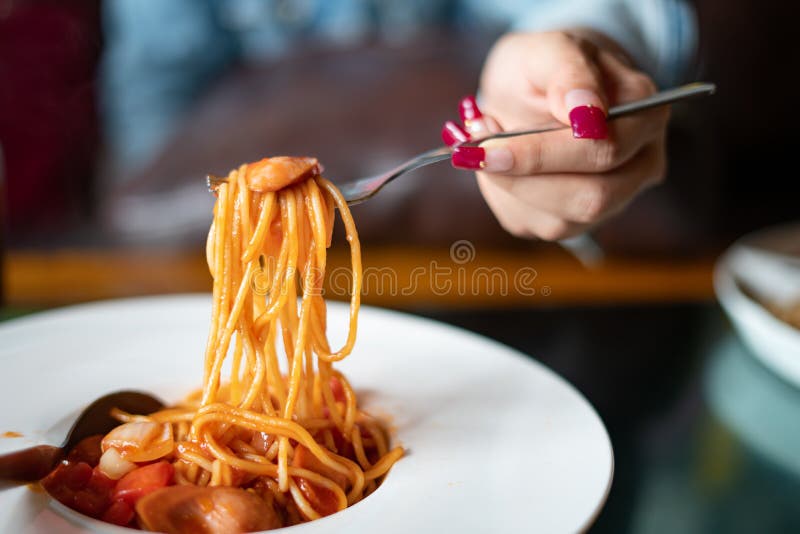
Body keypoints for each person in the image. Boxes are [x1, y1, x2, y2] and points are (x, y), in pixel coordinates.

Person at [102, 0, 696, 241]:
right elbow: (152, 104)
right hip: (224, 276)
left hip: (527, 287)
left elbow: (567, 9)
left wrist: (581, 53)